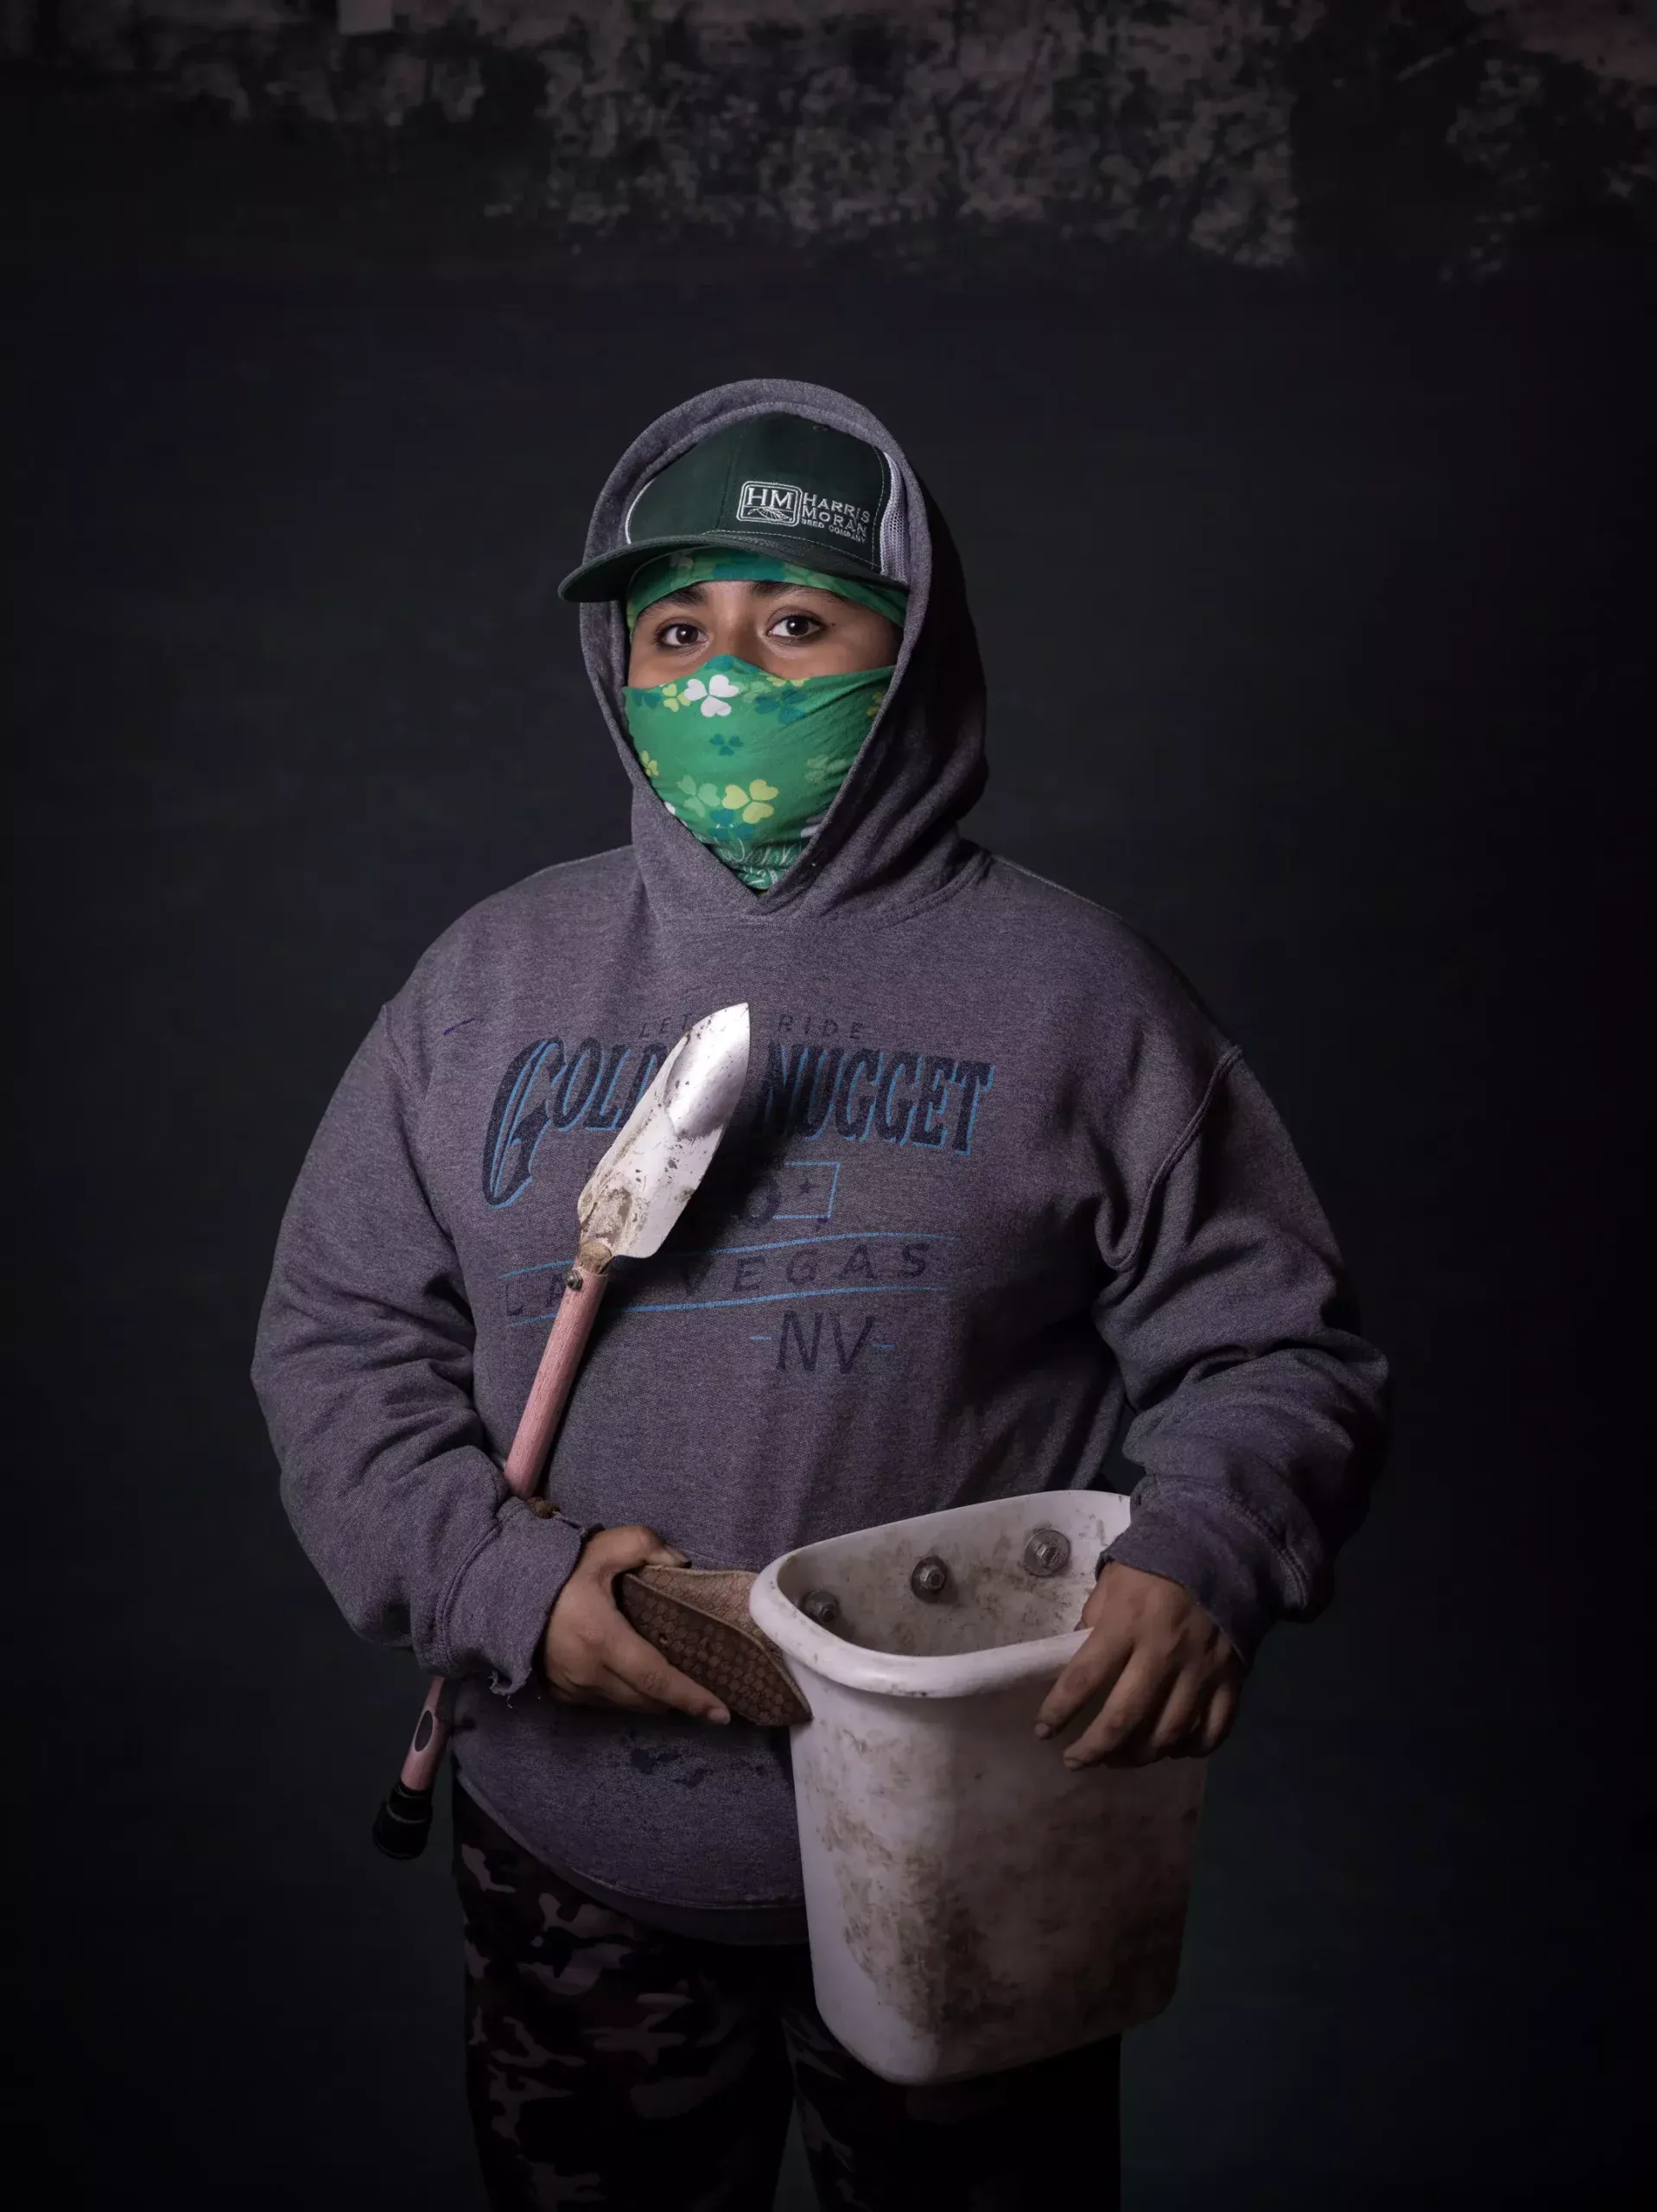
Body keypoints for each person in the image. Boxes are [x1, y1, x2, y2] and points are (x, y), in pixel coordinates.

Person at [252, 380, 1389, 2210]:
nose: (723, 676)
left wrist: (1208, 1542)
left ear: (910, 647)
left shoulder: (1074, 992)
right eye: (674, 629)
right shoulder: (484, 982)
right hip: (574, 1850)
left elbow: (1270, 1343)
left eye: (794, 621)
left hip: (966, 1847)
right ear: (613, 667)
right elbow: (334, 1342)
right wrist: (503, 1581)